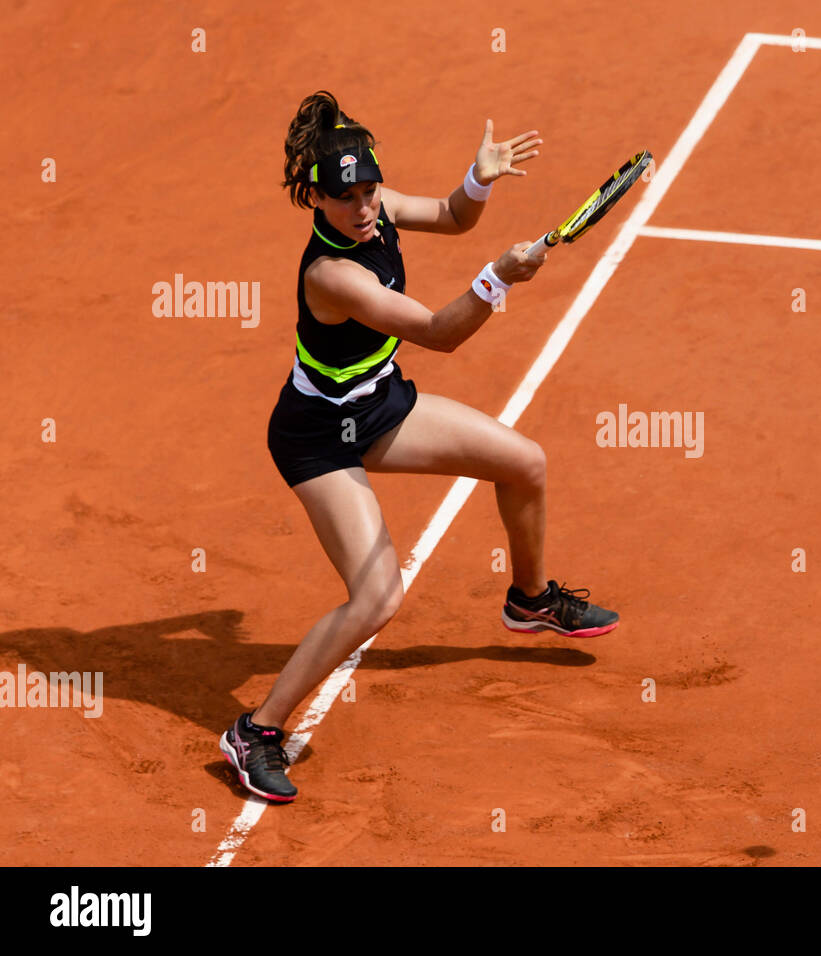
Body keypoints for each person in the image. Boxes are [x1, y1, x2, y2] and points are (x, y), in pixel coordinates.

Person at [218, 90, 619, 804]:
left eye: (370, 189)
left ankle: (528, 601)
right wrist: (500, 278)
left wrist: (479, 177)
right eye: (348, 197)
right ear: (315, 197)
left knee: (523, 463)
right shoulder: (332, 275)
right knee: (376, 598)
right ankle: (255, 732)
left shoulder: (379, 206)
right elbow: (439, 331)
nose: (365, 206)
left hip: (379, 405)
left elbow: (453, 217)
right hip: (318, 439)